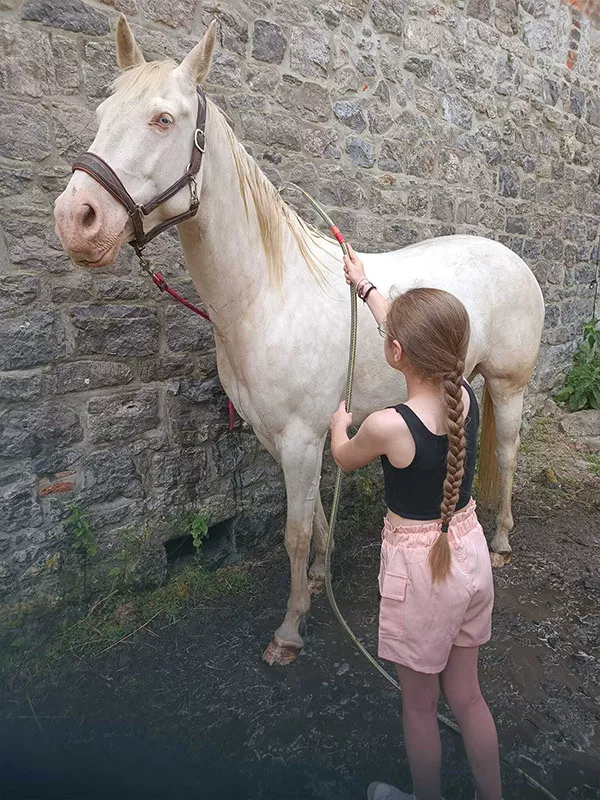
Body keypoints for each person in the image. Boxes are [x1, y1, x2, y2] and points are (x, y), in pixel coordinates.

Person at [329, 245, 501, 800]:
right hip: (469, 550)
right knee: (468, 697)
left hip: (421, 572)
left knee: (420, 707)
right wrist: (366, 285)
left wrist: (338, 424)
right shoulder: (465, 397)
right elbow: (409, 338)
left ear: (395, 354)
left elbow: (341, 456)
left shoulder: (385, 426)